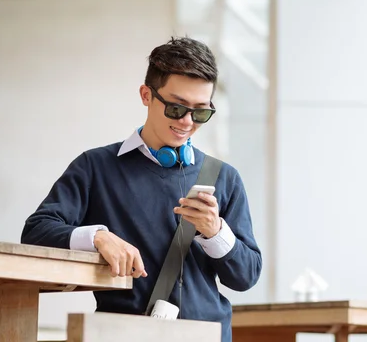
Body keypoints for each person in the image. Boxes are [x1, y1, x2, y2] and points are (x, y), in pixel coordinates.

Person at [21, 36, 262, 342]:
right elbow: (36, 232)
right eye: (176, 108)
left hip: (209, 336)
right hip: (123, 335)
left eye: (201, 112)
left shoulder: (224, 177)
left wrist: (215, 232)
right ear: (146, 95)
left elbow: (246, 276)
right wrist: (97, 236)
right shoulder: (96, 167)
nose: (188, 122)